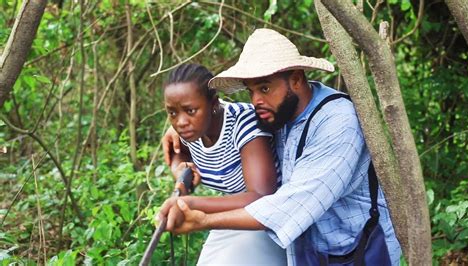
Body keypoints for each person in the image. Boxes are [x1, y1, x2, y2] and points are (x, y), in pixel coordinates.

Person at [159, 29, 402, 265]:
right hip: (309, 251)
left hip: (359, 248)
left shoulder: (337, 121)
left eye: (264, 88)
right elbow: (223, 113)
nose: (256, 101)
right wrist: (181, 127)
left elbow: (292, 205)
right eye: (251, 90)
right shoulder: (277, 113)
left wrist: (203, 219)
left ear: (296, 79)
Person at [157, 63, 287, 265]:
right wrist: (181, 172)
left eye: (190, 110)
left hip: (271, 222)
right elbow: (177, 153)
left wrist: (191, 203)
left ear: (214, 103)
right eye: (172, 113)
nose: (180, 122)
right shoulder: (192, 130)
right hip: (231, 218)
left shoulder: (242, 124)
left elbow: (262, 197)